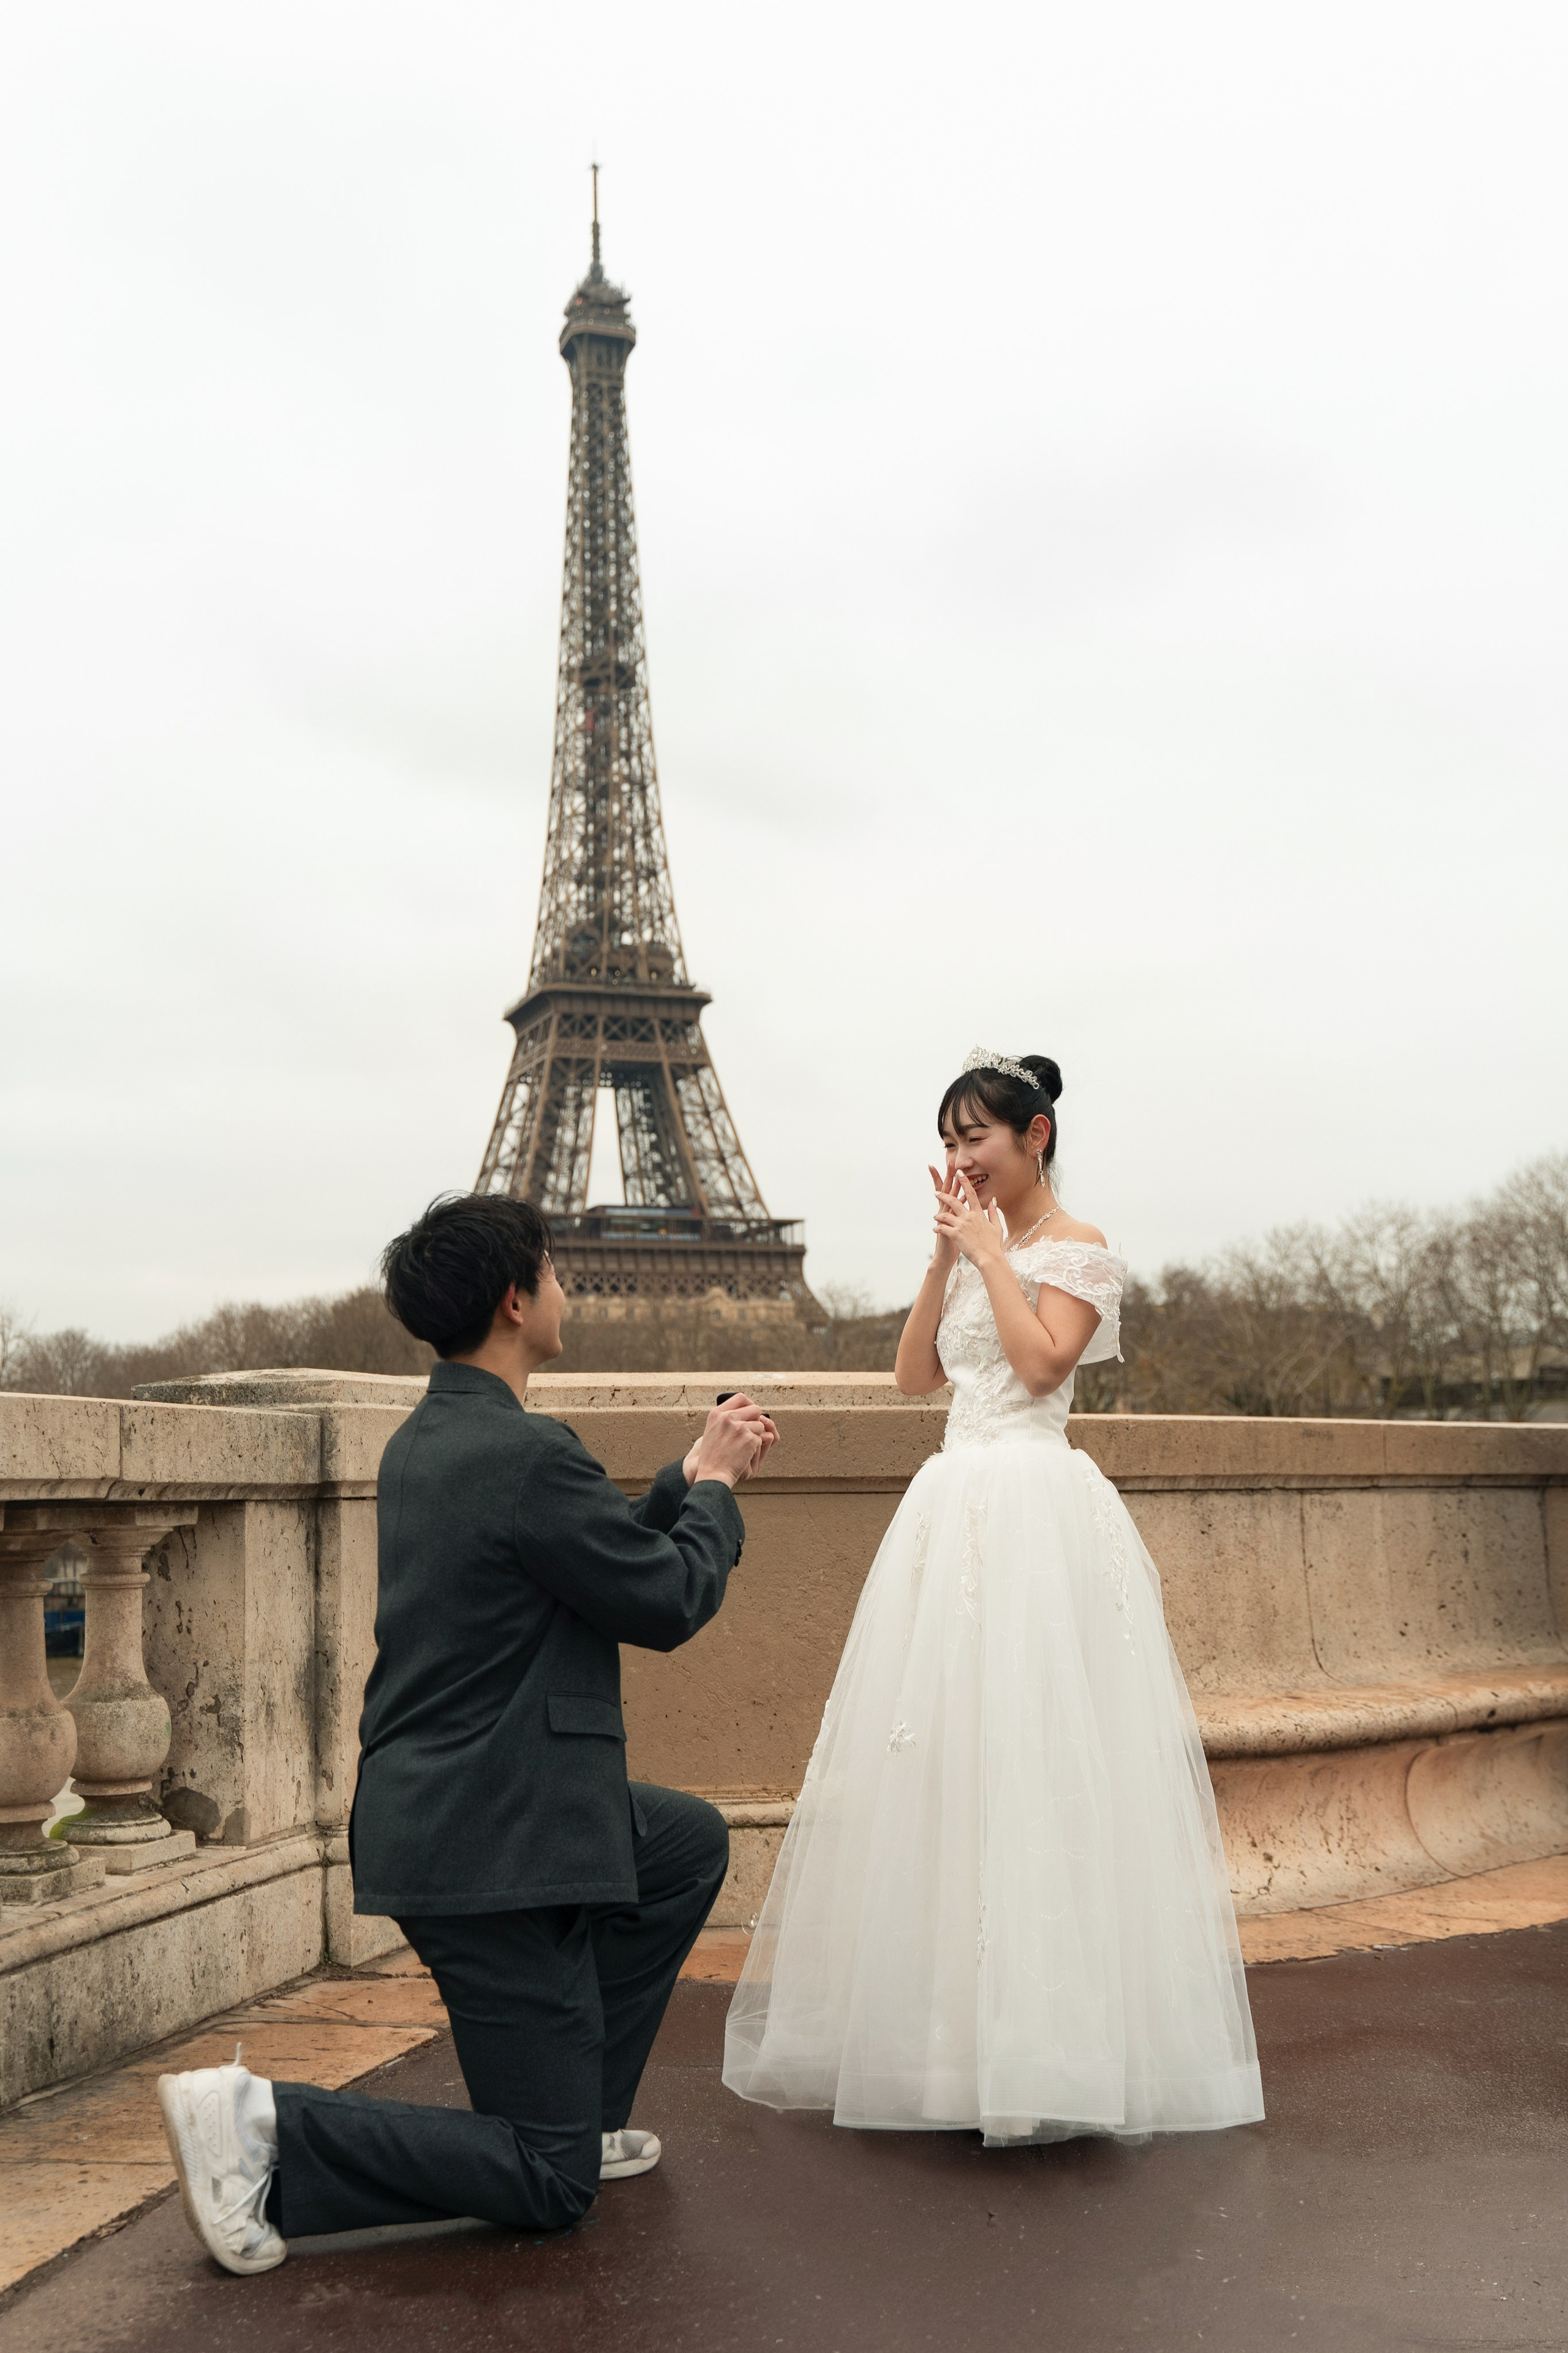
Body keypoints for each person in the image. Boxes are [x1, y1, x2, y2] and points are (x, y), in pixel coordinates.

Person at [157, 1191, 776, 2275]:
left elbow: (573, 1559)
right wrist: (718, 1487)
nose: (567, 1286)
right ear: (515, 1298)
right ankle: (268, 2132)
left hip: (458, 1805)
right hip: (497, 1834)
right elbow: (667, 1601)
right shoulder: (525, 1453)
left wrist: (676, 1480)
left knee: (681, 1844)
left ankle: (573, 2113)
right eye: (555, 1268)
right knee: (548, 2184)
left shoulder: (436, 1441)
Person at [724, 1049, 1262, 2145]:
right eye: (952, 1136)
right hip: (952, 1504)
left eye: (978, 1135)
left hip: (1034, 1509)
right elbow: (914, 1378)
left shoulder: (1081, 1248)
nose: (960, 1155)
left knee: (1036, 1764)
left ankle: (1048, 2042)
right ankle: (947, 2038)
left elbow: (1040, 1369)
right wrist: (943, 1259)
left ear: (1036, 1138)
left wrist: (992, 1258)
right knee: (941, 1761)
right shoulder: (974, 1244)